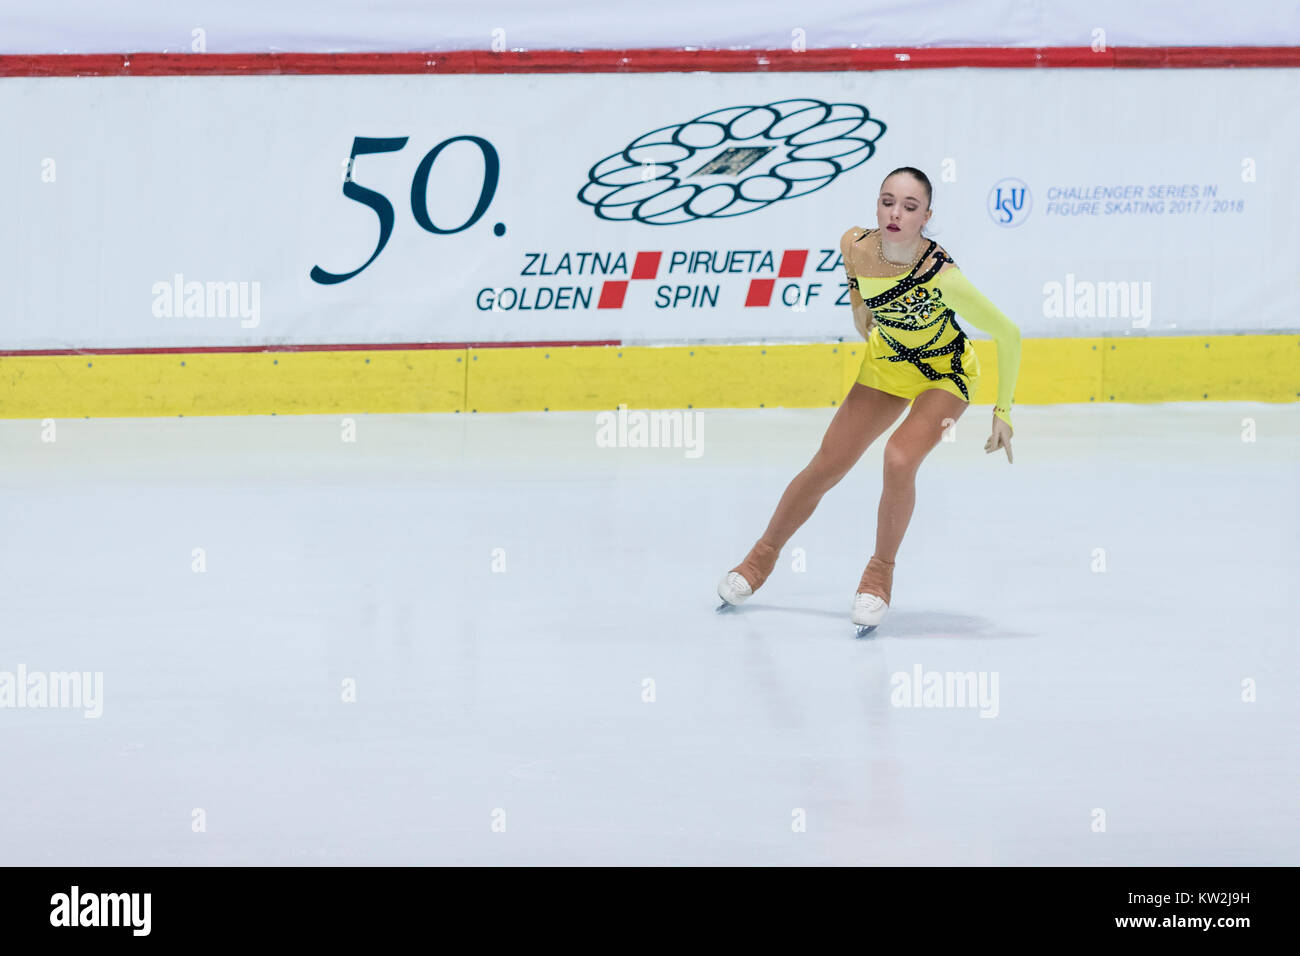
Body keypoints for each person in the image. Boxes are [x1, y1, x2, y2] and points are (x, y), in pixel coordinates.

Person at [716, 166, 1022, 632]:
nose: (895, 213)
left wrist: (1003, 413)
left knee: (899, 458)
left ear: (926, 216)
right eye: (887, 201)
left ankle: (878, 576)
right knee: (827, 463)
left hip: (948, 373)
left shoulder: (941, 274)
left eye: (909, 207)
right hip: (885, 366)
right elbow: (852, 266)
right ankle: (759, 560)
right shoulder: (856, 244)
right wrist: (858, 302)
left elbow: (1008, 332)